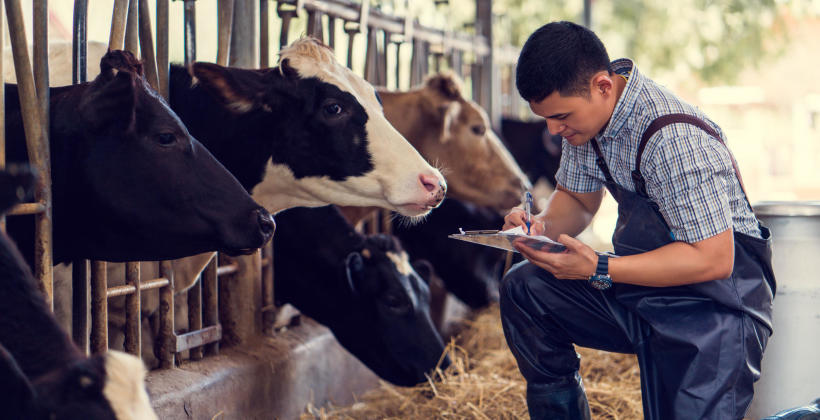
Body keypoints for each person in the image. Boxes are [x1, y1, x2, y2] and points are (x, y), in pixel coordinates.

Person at [500, 21, 776, 420]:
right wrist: (538, 228)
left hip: (715, 309)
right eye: (545, 118)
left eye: (560, 116)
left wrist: (598, 267)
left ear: (603, 86)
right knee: (525, 289)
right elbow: (578, 200)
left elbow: (714, 259)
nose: (553, 129)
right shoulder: (587, 124)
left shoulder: (673, 139)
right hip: (644, 288)